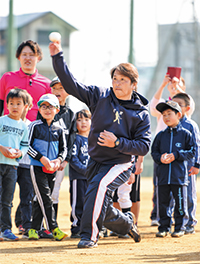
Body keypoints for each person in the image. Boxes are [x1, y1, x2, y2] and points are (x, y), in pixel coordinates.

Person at [49, 41, 151, 248]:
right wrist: (57, 57)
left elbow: (143, 146)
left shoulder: (141, 113)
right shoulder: (100, 95)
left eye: (123, 80)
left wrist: (118, 142)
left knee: (98, 188)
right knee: (94, 204)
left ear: (134, 84)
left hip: (120, 164)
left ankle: (90, 236)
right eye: (115, 79)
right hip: (95, 161)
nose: (117, 83)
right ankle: (127, 223)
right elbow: (72, 85)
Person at [149, 74, 195, 226]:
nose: (166, 117)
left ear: (180, 114)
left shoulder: (186, 131)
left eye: (170, 113)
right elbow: (154, 152)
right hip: (163, 172)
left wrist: (176, 155)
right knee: (161, 197)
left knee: (181, 198)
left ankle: (182, 225)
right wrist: (160, 158)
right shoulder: (161, 135)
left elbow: (192, 150)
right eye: (164, 114)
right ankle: (163, 224)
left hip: (179, 172)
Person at [27, 93, 68, 241]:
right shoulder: (34, 126)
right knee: (46, 198)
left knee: (42, 198)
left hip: (53, 170)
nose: (47, 109)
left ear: (57, 109)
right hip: (37, 167)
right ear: (39, 109)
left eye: (50, 106)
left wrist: (58, 160)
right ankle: (53, 228)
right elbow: (27, 146)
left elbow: (64, 150)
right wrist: (42, 159)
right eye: (43, 106)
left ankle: (33, 229)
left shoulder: (60, 129)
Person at [0, 88, 29, 241]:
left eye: (19, 103)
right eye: (11, 103)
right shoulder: (1, 121)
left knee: (7, 200)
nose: (15, 106)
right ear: (7, 105)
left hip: (12, 167)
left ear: (25, 106)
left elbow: (25, 145)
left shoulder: (24, 126)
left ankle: (5, 230)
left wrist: (20, 153)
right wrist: (2, 148)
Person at [0, 40, 51, 121]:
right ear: (18, 57)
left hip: (34, 130)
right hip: (8, 130)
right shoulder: (7, 77)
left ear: (38, 58)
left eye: (32, 55)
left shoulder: (47, 84)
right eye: (24, 55)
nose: (28, 58)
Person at [172, 93, 200, 234]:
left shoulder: (190, 125)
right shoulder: (170, 125)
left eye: (179, 105)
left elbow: (197, 146)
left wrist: (197, 164)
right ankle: (178, 221)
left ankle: (190, 223)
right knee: (174, 195)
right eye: (172, 103)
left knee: (188, 195)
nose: (175, 107)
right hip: (174, 167)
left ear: (187, 108)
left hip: (188, 167)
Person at [49, 76, 76, 220]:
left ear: (68, 92)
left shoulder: (70, 114)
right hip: (44, 159)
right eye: (54, 88)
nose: (57, 91)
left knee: (55, 190)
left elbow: (72, 138)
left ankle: (52, 224)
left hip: (60, 160)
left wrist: (66, 159)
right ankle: (38, 224)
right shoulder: (46, 111)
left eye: (61, 88)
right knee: (40, 191)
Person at [14, 91, 34, 238]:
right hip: (8, 165)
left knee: (27, 197)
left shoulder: (31, 125)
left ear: (29, 106)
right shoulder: (4, 122)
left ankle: (26, 225)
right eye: (15, 104)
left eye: (23, 104)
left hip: (26, 165)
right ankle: (4, 226)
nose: (20, 108)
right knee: (4, 196)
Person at [69, 109, 91, 238]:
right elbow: (73, 159)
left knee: (90, 202)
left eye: (86, 119)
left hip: (92, 177)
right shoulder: (75, 138)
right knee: (78, 202)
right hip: (79, 177)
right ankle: (77, 226)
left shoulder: (93, 140)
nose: (83, 122)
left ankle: (89, 226)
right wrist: (85, 170)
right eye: (79, 120)